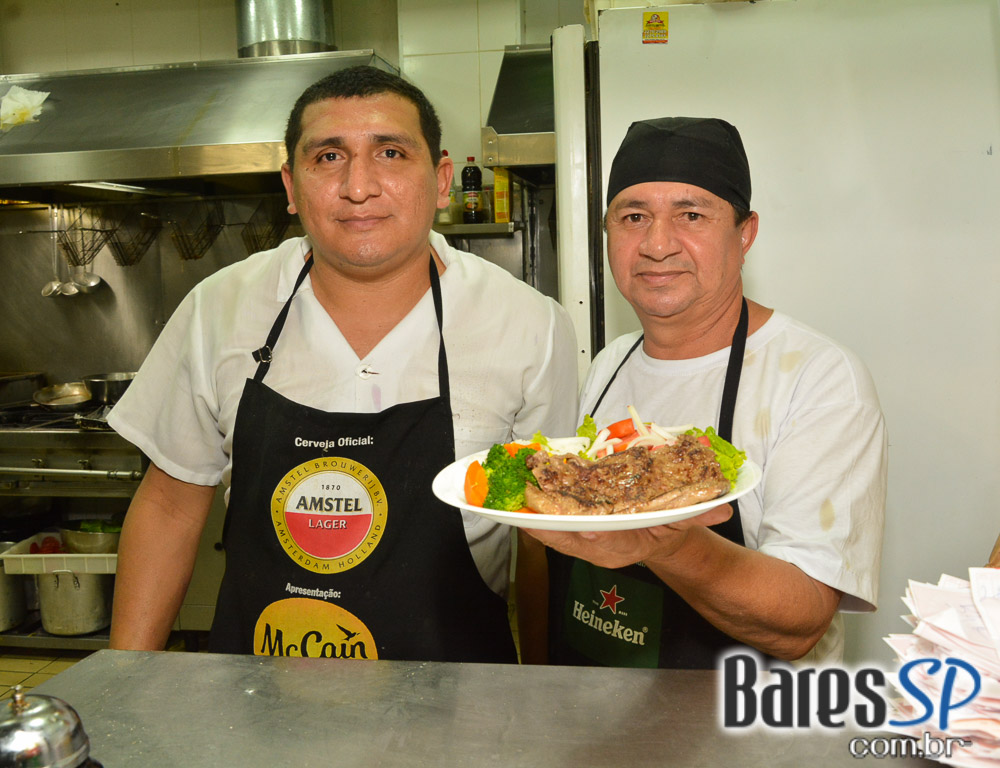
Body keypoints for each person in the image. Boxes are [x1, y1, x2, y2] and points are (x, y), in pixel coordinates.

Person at [107, 65, 578, 662]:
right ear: (290, 183)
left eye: (390, 152)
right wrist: (125, 678)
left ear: (439, 179)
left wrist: (542, 689)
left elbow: (542, 532)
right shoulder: (218, 309)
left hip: (457, 705)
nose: (359, 186)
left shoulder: (529, 324)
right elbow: (171, 504)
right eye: (328, 156)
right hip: (257, 700)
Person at [518, 117, 886, 669]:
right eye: (633, 217)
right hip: (593, 726)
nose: (657, 244)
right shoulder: (609, 364)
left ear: (745, 234)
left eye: (691, 215)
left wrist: (668, 545)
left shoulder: (818, 378)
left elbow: (802, 620)